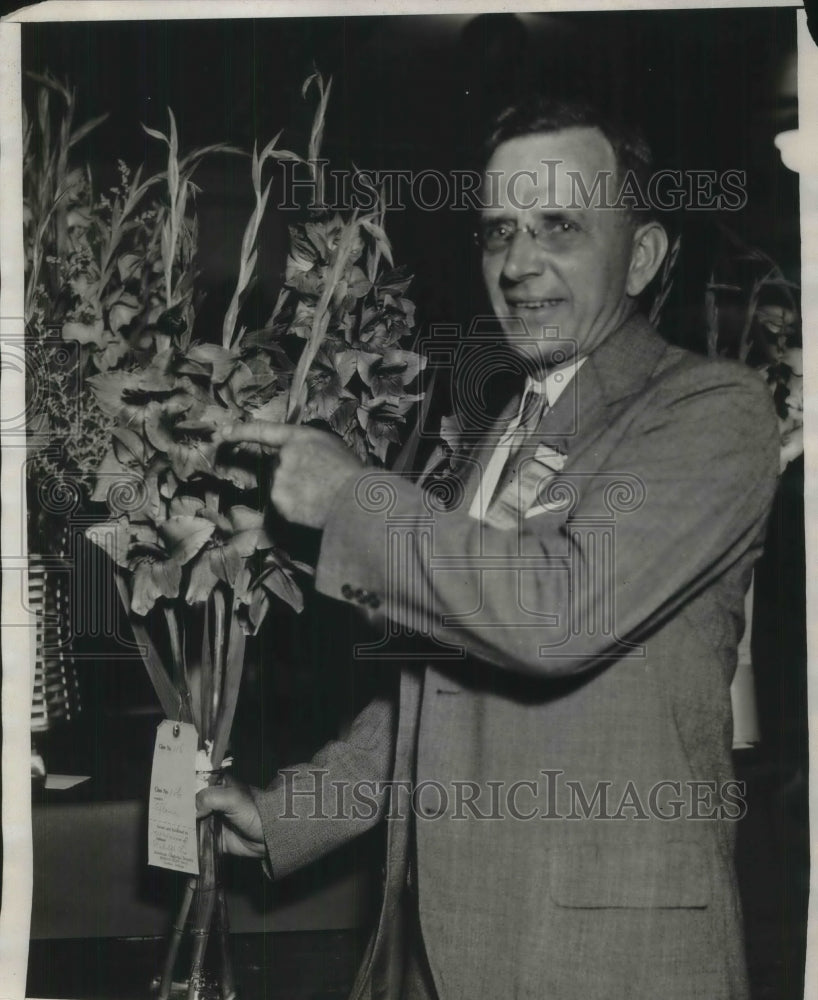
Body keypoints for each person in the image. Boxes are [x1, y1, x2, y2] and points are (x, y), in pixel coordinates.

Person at [197, 97, 780, 999]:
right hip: (440, 945)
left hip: (606, 964)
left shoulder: (711, 411)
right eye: (498, 230)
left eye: (558, 226)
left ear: (645, 255)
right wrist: (288, 815)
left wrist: (350, 496)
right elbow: (444, 684)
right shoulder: (505, 426)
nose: (516, 264)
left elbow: (556, 614)